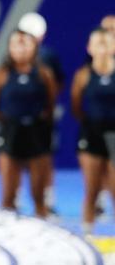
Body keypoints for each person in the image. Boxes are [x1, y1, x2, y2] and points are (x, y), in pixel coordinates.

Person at [0, 29, 57, 217]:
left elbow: (50, 104)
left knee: (38, 195)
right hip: (10, 134)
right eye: (16, 44)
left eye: (26, 44)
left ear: (34, 47)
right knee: (8, 195)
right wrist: (9, 122)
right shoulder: (1, 74)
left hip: (37, 134)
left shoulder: (44, 74)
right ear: (9, 48)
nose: (21, 49)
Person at [18, 12, 64, 214]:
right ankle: (15, 198)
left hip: (42, 120)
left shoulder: (48, 57)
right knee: (15, 159)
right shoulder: (12, 58)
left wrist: (46, 108)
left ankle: (48, 199)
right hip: (16, 120)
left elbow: (58, 84)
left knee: (45, 159)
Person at [71, 28, 115, 235]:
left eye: (106, 43)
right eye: (98, 43)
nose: (102, 48)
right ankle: (88, 235)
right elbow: (77, 106)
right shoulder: (83, 75)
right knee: (92, 190)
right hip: (91, 135)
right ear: (90, 48)